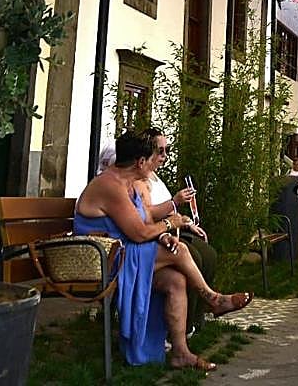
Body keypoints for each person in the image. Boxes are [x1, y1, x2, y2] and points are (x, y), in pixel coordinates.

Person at [76, 131, 253, 370]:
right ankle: (213, 299)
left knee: (176, 281)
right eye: (153, 157)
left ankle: (181, 353)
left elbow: (145, 218)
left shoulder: (128, 184)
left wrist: (164, 231)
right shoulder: (111, 185)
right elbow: (138, 232)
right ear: (140, 162)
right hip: (103, 258)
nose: (157, 162)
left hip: (122, 251)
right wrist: (171, 225)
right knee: (178, 251)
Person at [133, 126, 219, 331]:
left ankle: (197, 318)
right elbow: (146, 215)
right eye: (160, 151)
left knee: (209, 254)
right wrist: (175, 203)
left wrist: (186, 221)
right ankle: (185, 323)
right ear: (146, 153)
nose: (164, 156)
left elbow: (162, 211)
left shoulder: (154, 177)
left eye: (167, 150)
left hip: (169, 229)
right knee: (194, 257)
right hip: (157, 233)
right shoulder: (137, 179)